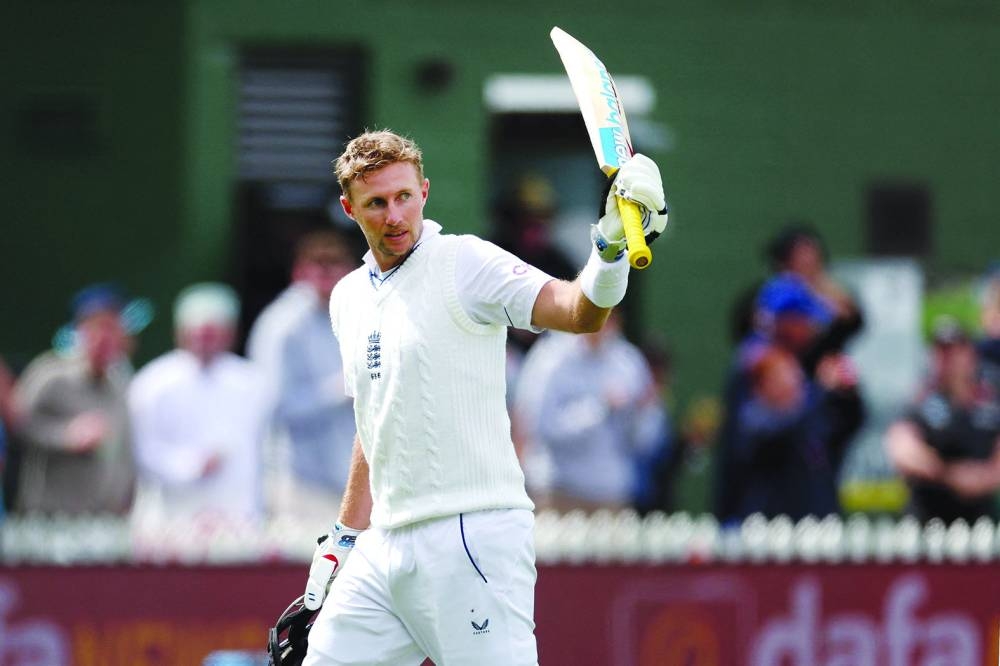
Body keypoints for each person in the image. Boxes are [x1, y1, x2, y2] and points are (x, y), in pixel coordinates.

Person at [299, 130, 668, 665]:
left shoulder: (464, 262)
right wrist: (345, 535)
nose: (395, 215)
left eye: (405, 197)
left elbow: (578, 312)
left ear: (424, 191)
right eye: (376, 203)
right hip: (385, 546)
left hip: (473, 534)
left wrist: (608, 249)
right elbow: (374, 419)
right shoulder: (349, 297)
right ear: (349, 208)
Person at [128, 283, 273, 524]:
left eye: (213, 334)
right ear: (181, 333)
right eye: (198, 334)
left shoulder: (253, 382)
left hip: (238, 515)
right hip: (172, 516)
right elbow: (142, 450)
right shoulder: (152, 383)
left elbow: (265, 448)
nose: (204, 342)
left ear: (230, 334)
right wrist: (189, 465)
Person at [247, 230, 357, 520]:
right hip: (298, 484)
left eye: (335, 265)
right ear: (299, 272)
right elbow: (273, 408)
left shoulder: (354, 317)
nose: (327, 274)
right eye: (318, 266)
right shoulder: (281, 326)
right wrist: (337, 391)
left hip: (351, 481)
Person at [513, 311, 668, 513]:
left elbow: (645, 441)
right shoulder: (550, 358)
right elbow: (539, 427)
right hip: (558, 493)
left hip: (612, 495)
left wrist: (642, 413)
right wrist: (599, 408)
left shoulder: (629, 362)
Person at [12, 284, 136, 515]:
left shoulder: (122, 381)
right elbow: (18, 423)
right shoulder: (50, 373)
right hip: (50, 516)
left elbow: (125, 450)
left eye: (113, 328)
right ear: (80, 330)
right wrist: (65, 435)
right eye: (97, 328)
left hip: (104, 517)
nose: (105, 337)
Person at [885, 318, 1000, 523]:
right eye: (940, 352)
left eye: (954, 351)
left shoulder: (990, 402)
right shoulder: (920, 400)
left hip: (979, 523)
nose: (947, 359)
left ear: (970, 354)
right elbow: (902, 449)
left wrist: (983, 477)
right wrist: (950, 474)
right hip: (927, 522)